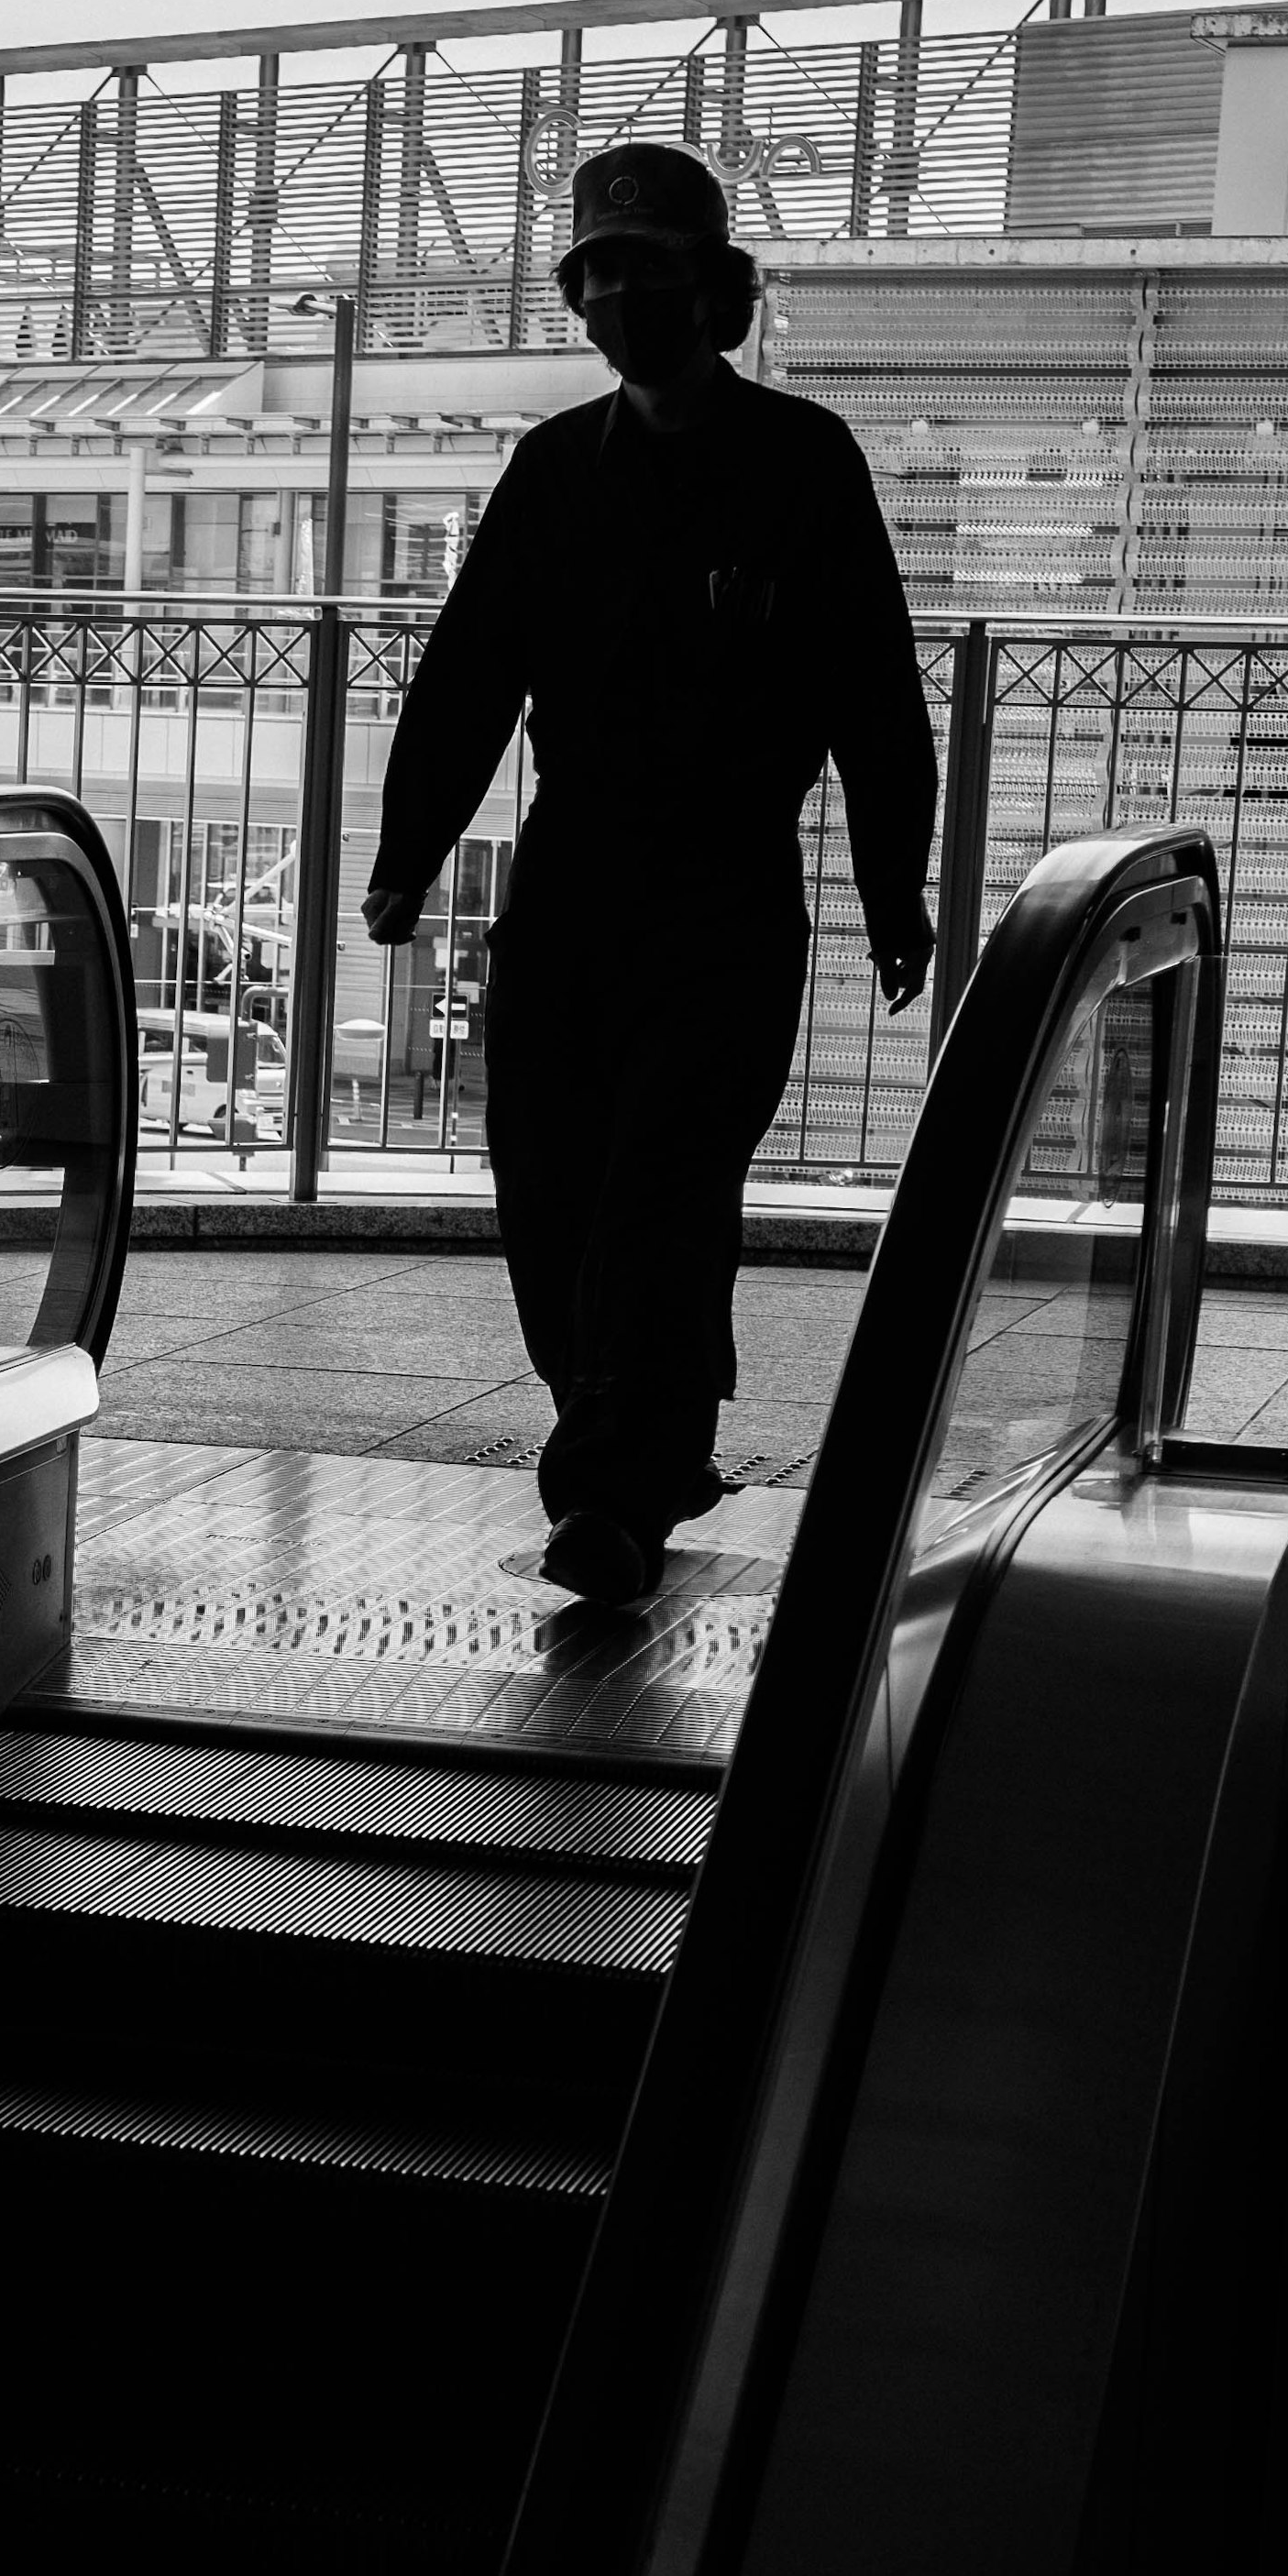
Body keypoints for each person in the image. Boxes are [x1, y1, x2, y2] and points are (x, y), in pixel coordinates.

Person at [360, 141, 939, 1607]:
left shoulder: (805, 463)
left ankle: (613, 1491)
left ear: (718, 295)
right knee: (545, 1189)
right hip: (570, 883)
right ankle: (646, 1428)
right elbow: (471, 670)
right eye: (595, 282)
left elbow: (874, 687)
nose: (619, 305)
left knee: (659, 1199)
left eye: (647, 278)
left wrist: (893, 885)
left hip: (729, 892)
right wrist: (407, 857)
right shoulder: (556, 469)